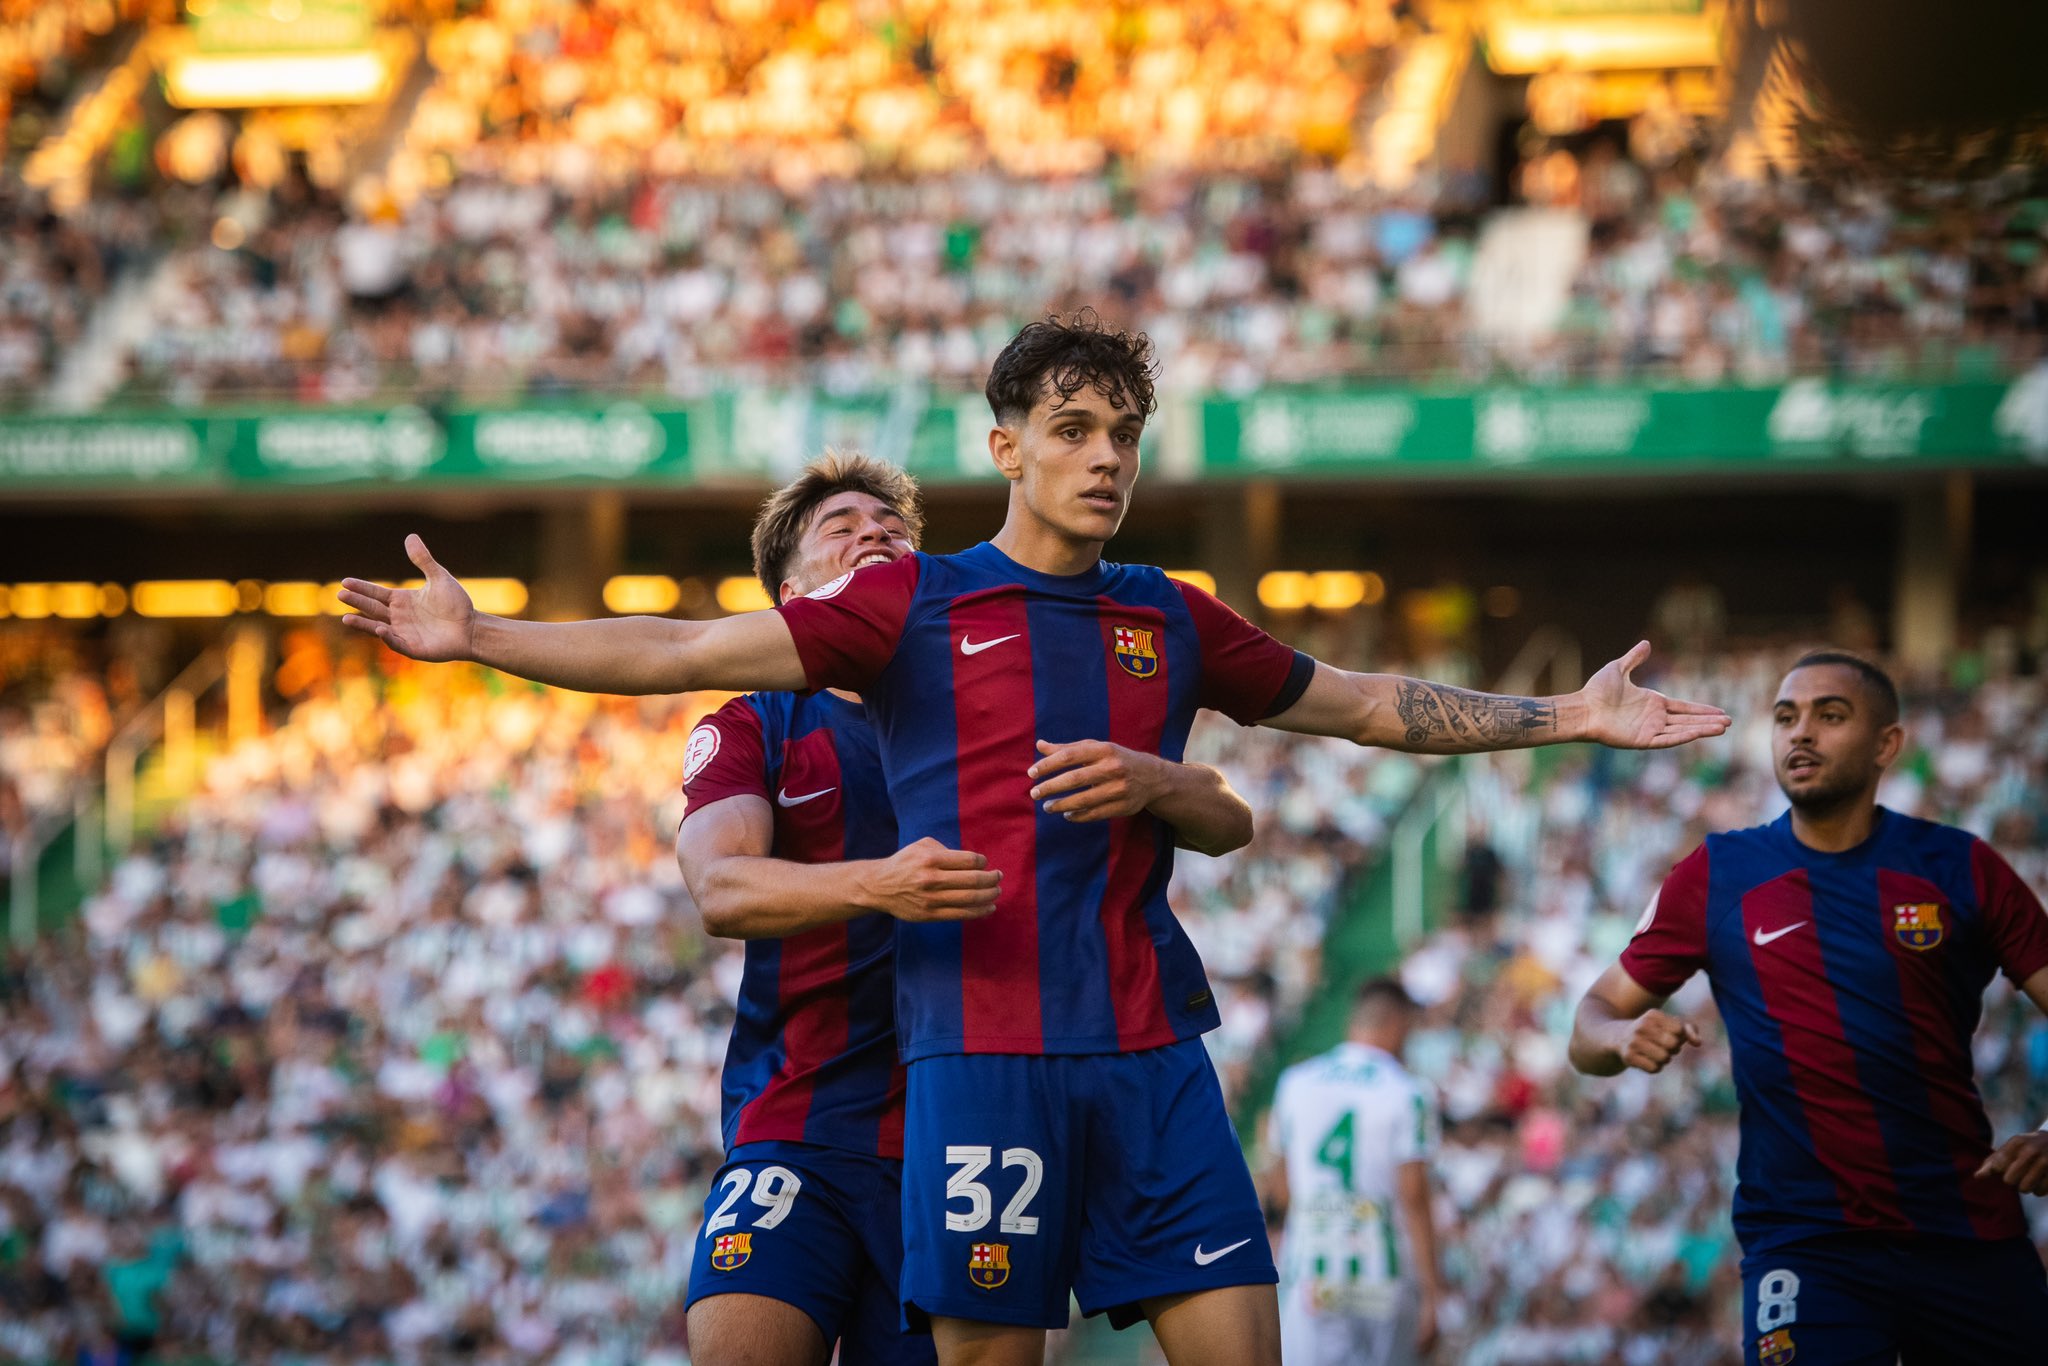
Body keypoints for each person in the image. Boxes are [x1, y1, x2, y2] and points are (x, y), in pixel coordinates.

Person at [340, 313, 1728, 1366]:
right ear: (1005, 447)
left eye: (1123, 432)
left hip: (1152, 1056)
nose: (1105, 456)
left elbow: (1362, 705)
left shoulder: (1170, 612)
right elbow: (683, 649)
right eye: (1072, 428)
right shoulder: (911, 605)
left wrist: (1569, 714)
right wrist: (484, 636)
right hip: (981, 1060)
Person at [673, 452, 1258, 1366]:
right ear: (790, 598)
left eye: (891, 528)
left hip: (973, 1121)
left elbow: (1226, 817)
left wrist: (1162, 784)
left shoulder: (1000, 699)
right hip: (802, 1123)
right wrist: (878, 884)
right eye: (842, 528)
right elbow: (720, 888)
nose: (874, 535)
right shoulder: (755, 725)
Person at [1569, 649, 2048, 1365]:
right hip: (1805, 1244)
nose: (1801, 733)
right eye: (1786, 717)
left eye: (1831, 715)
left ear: (1887, 744)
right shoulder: (1717, 873)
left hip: (1967, 1234)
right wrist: (1617, 1036)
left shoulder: (1960, 867)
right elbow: (1590, 1021)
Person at [1264, 978, 1442, 1366]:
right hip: (1382, 1275)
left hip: (1314, 1271)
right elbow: (1413, 1195)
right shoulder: (1410, 1092)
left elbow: (1280, 1187)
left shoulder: (1295, 1082)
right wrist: (1432, 1292)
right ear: (1398, 1025)